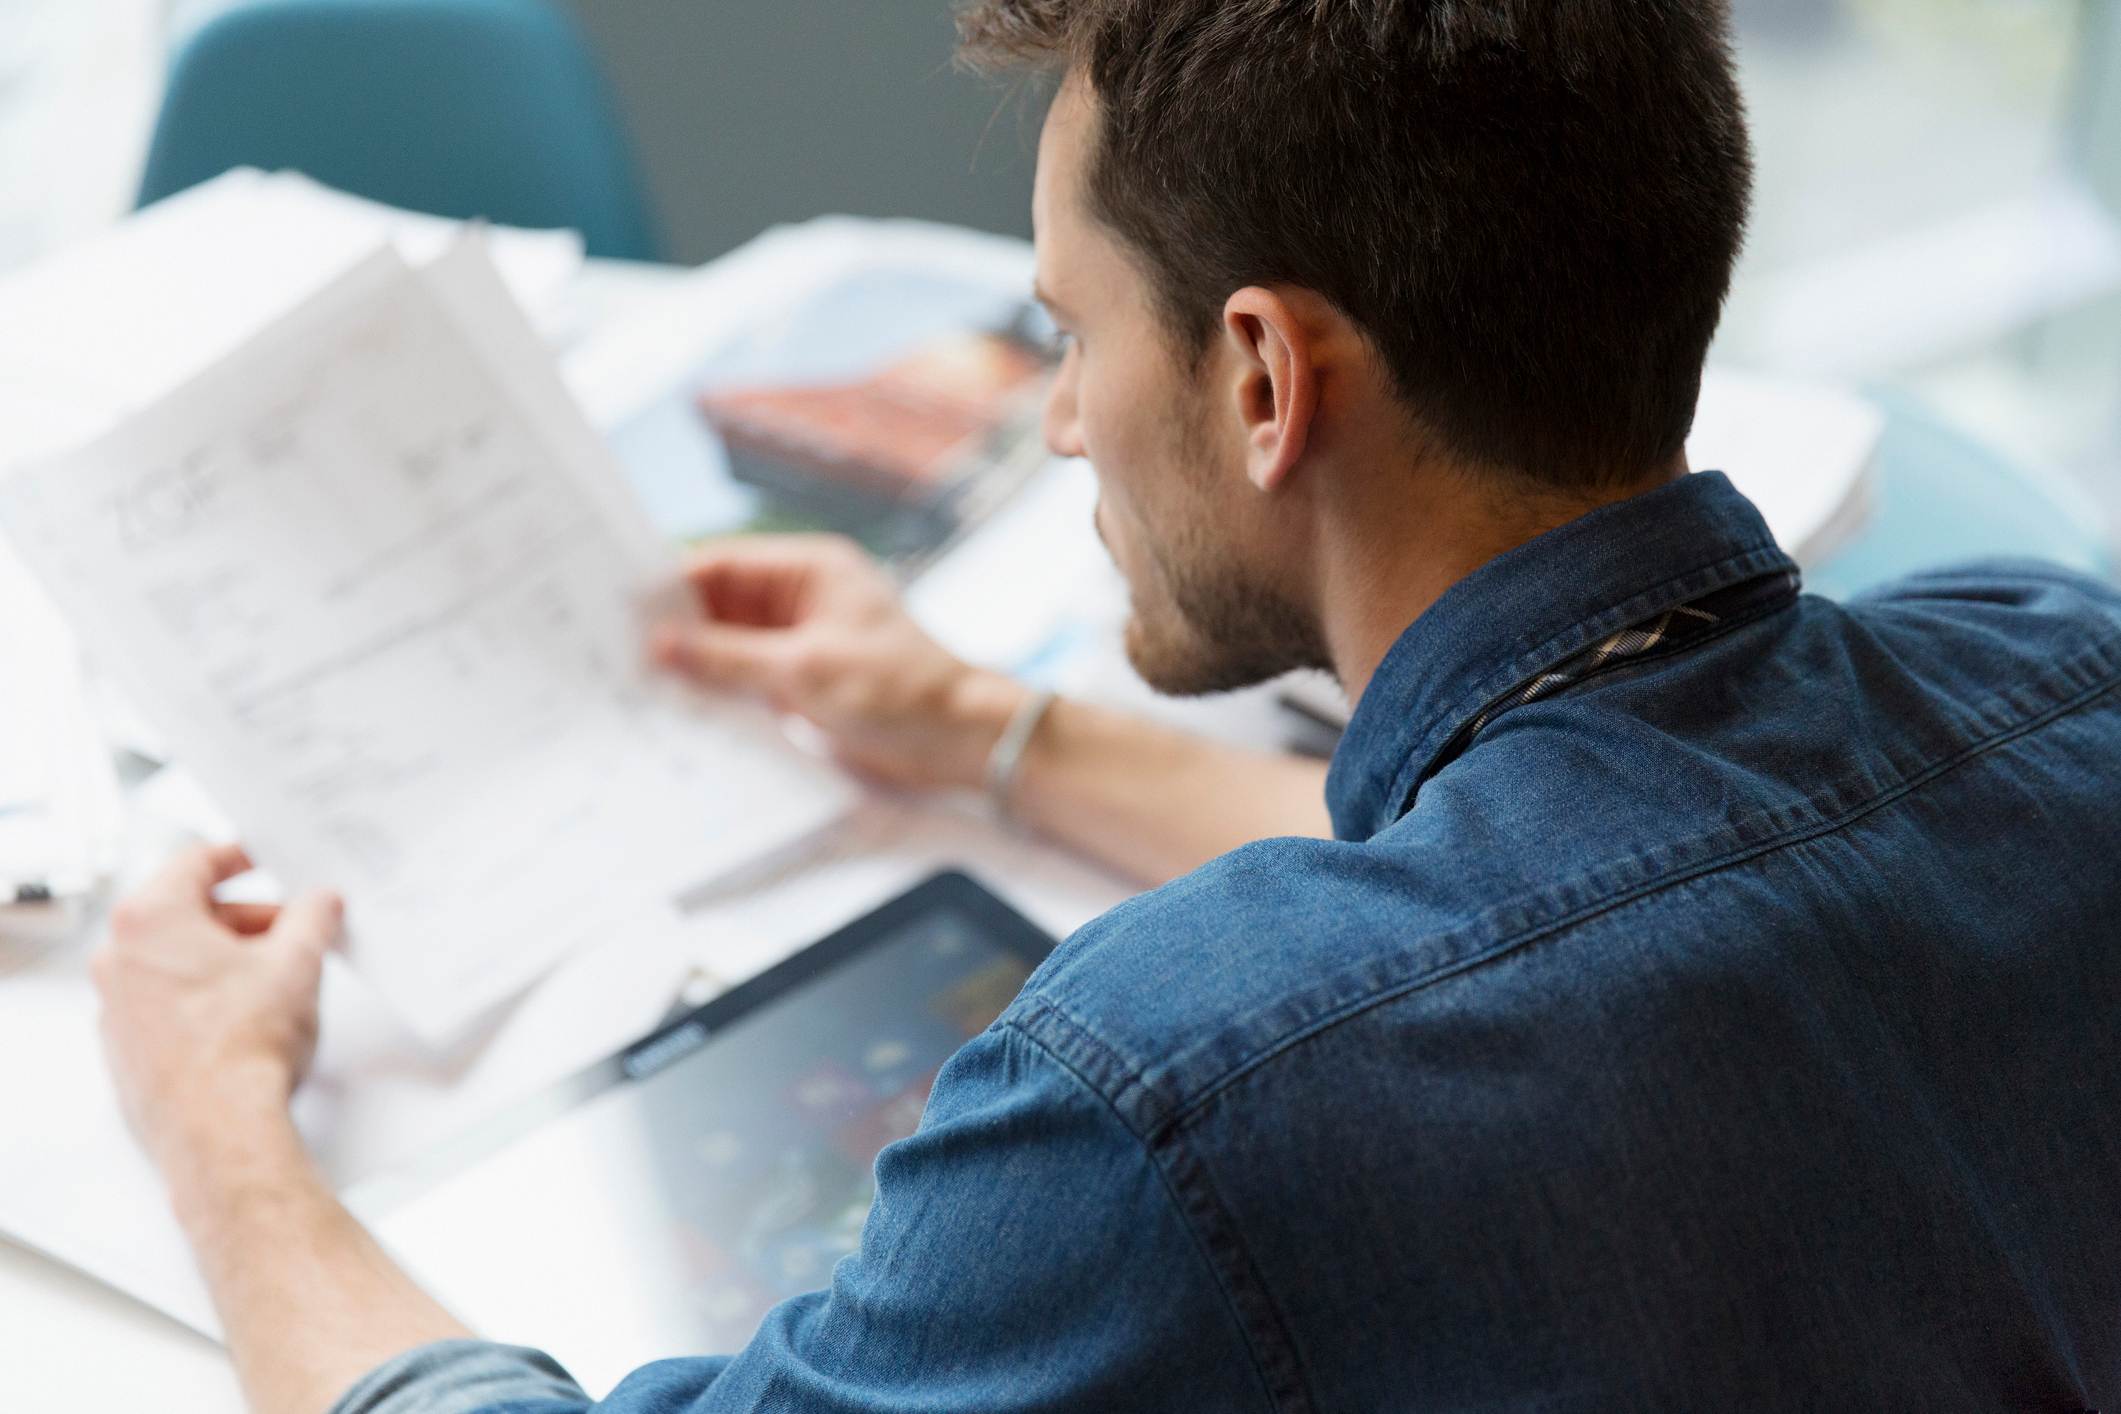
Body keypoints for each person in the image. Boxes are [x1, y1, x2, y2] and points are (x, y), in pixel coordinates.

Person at [92, 1, 2121, 1410]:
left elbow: (1439, 985)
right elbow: (1587, 886)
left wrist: (220, 1132)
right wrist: (994, 729)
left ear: (1263, 380)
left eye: (1068, 329)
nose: (1056, 415)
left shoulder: (1171, 1097)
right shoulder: (2061, 671)